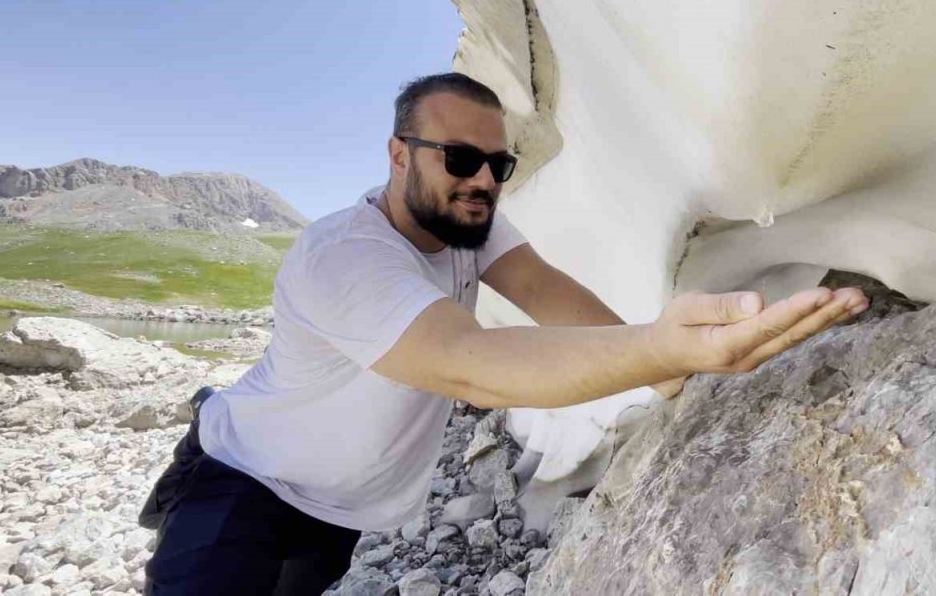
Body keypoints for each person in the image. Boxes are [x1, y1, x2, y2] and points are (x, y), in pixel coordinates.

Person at [140, 72, 868, 594]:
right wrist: (663, 347)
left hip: (336, 512)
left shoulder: (468, 223)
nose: (482, 180)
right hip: (243, 483)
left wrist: (660, 363)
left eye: (498, 164)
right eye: (459, 159)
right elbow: (469, 365)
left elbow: (547, 294)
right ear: (399, 155)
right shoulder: (344, 255)